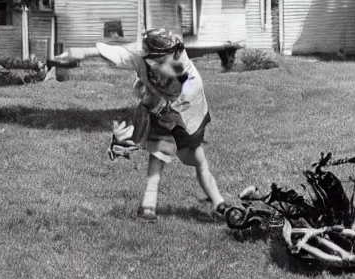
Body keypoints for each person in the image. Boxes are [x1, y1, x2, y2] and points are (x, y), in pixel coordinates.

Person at [58, 28, 231, 221]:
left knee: (194, 158)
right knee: (158, 152)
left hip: (187, 117)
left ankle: (218, 202)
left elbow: (176, 116)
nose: (160, 65)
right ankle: (149, 205)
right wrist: (78, 53)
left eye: (166, 59)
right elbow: (118, 53)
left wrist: (152, 104)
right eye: (154, 60)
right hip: (157, 106)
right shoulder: (143, 57)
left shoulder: (190, 82)